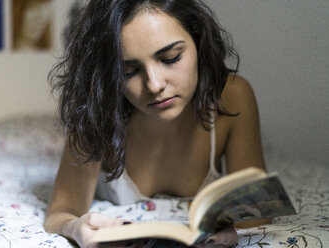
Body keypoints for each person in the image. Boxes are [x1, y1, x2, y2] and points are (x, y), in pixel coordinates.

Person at [44, 0, 268, 247]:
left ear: (198, 43)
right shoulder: (96, 109)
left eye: (171, 58)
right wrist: (74, 227)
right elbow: (60, 214)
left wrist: (233, 228)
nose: (154, 85)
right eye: (128, 72)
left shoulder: (232, 96)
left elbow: (258, 213)